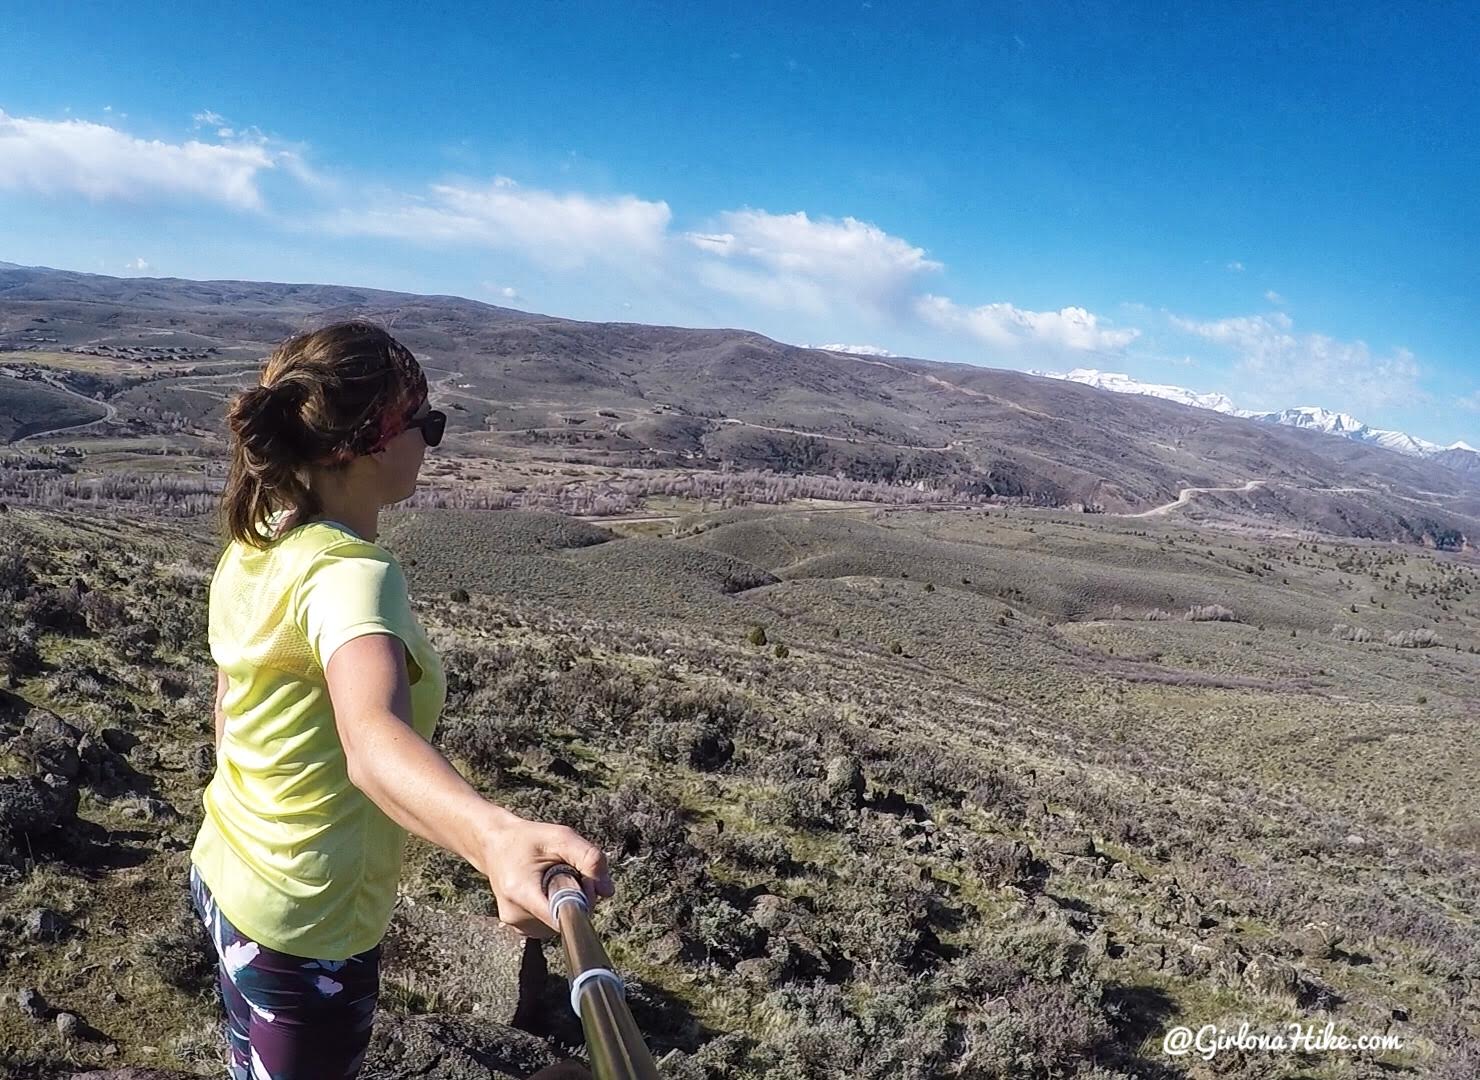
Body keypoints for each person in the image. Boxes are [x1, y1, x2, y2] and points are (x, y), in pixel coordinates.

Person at [187, 320, 613, 1079]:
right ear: (368, 444)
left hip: (226, 874)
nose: (432, 443)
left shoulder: (254, 546)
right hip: (306, 925)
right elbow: (370, 738)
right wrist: (495, 840)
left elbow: (230, 711)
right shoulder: (354, 576)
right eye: (428, 425)